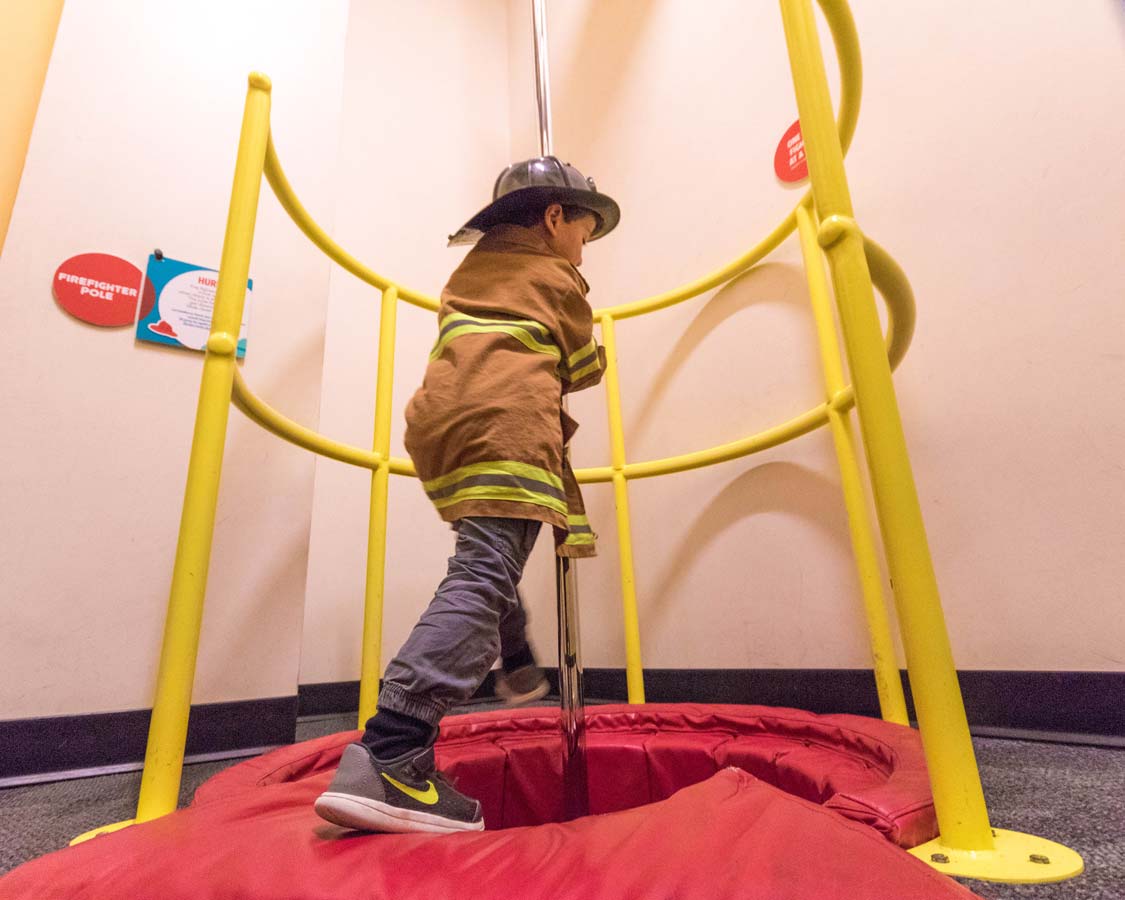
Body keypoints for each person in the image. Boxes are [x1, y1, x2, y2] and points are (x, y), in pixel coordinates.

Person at [314, 157, 620, 835]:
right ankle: (393, 750)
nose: (584, 246)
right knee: (484, 572)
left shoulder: (474, 271)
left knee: (486, 554)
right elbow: (584, 369)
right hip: (505, 417)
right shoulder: (556, 275)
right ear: (551, 218)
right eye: (583, 229)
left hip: (442, 423)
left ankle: (514, 660)